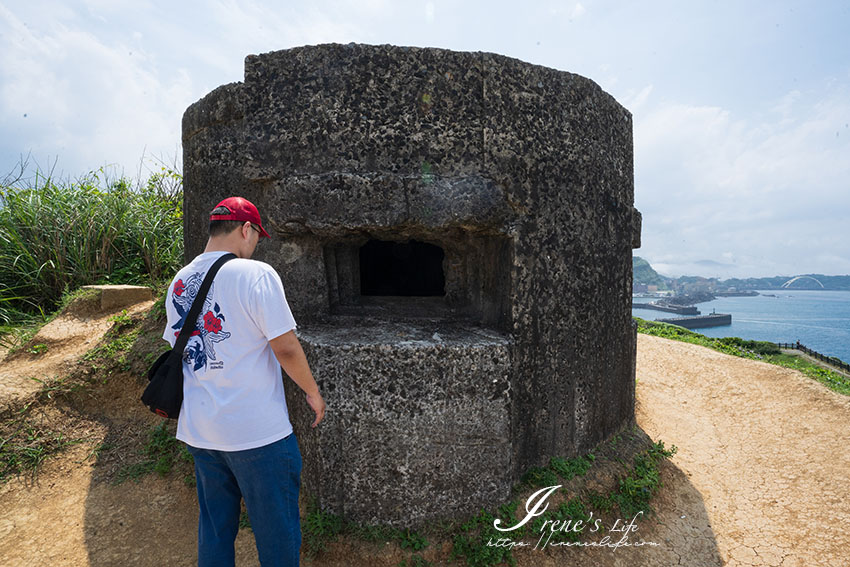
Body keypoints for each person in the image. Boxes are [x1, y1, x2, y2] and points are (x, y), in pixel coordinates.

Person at [162, 196, 325, 567]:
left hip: (202, 432)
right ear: (245, 229)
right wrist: (312, 392)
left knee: (215, 531)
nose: (254, 246)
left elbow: (181, 348)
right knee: (277, 535)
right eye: (256, 236)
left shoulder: (180, 280)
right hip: (257, 434)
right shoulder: (256, 274)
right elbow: (284, 347)